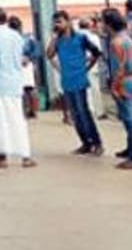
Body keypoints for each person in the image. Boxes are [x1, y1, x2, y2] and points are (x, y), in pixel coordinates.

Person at [0, 10, 36, 169]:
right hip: (15, 84)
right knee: (17, 119)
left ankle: (2, 156)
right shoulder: (16, 36)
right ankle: (25, 156)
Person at [46, 11, 103, 155]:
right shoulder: (58, 41)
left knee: (83, 112)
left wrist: (86, 68)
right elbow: (49, 55)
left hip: (79, 81)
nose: (57, 25)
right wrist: (53, 38)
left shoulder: (81, 38)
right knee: (75, 115)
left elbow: (96, 53)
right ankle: (85, 143)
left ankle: (97, 143)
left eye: (60, 21)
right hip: (67, 82)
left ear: (68, 22)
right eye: (55, 22)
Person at [103, 8, 132, 169]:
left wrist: (114, 86)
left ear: (109, 24)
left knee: (130, 120)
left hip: (123, 82)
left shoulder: (115, 42)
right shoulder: (129, 39)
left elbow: (118, 68)